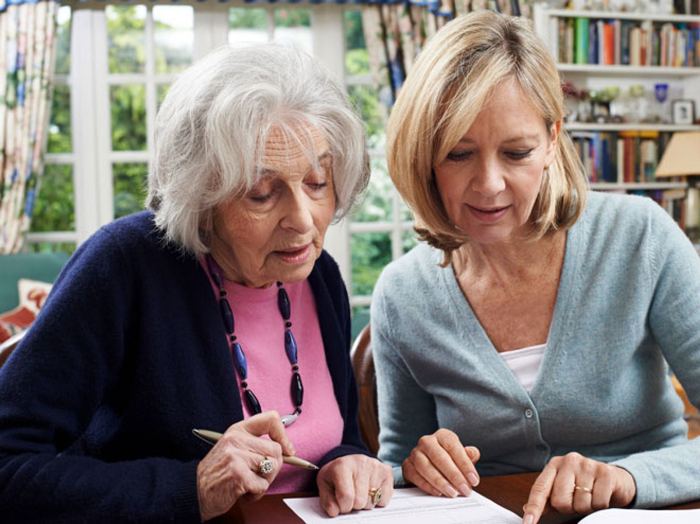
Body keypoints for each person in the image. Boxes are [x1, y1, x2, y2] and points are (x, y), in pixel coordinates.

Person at [0, 44, 393, 522]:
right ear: (201, 197)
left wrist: (346, 462)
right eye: (262, 193)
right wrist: (193, 488)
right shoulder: (124, 267)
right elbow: (9, 465)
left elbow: (337, 435)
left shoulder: (318, 275)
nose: (303, 221)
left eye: (317, 183)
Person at [371, 10, 700, 524]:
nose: (489, 184)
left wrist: (630, 478)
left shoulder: (640, 237)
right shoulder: (402, 293)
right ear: (425, 157)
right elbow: (395, 467)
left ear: (552, 140)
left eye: (516, 152)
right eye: (458, 154)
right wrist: (418, 465)